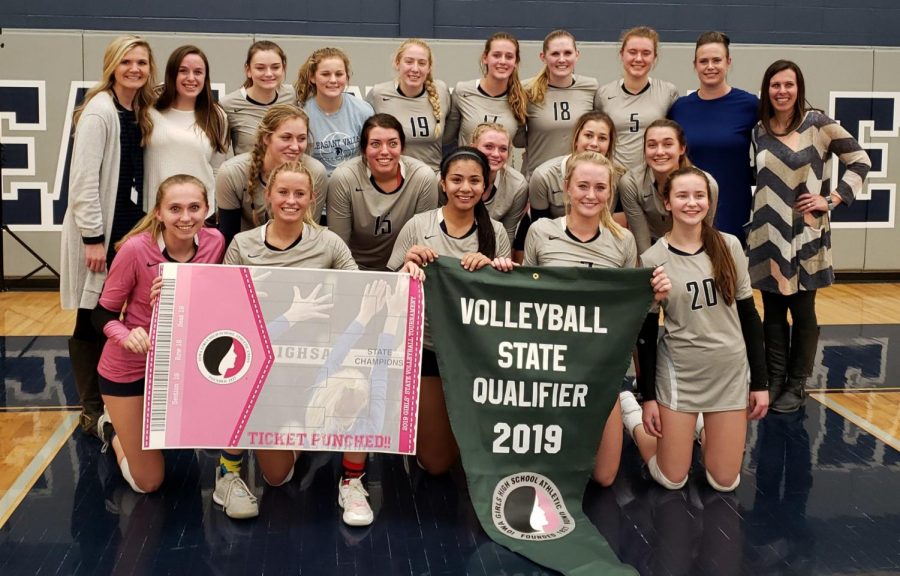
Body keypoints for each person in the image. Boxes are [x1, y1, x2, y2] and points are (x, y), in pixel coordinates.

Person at [219, 160, 396, 526]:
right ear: (267, 195)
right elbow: (220, 311)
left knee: (358, 381)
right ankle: (230, 472)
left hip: (318, 361)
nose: (291, 200)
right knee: (277, 477)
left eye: (300, 193)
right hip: (266, 366)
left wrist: (406, 271)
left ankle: (351, 479)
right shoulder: (242, 244)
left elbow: (359, 288)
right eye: (282, 192)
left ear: (312, 199)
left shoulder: (328, 243)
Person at [523, 151, 670, 486]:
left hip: (600, 367)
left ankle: (627, 408)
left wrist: (651, 295)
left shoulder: (623, 241)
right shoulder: (541, 231)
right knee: (548, 472)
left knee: (604, 478)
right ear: (567, 188)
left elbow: (631, 312)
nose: (591, 195)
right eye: (583, 186)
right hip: (551, 364)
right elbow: (524, 298)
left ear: (610, 192)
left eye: (600, 187)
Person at [627, 166, 768, 493]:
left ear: (709, 201)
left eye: (699, 196)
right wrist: (647, 399)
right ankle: (631, 416)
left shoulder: (730, 246)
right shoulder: (652, 258)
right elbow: (645, 336)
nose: (691, 203)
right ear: (667, 203)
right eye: (682, 196)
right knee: (671, 479)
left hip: (729, 372)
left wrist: (759, 383)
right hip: (681, 375)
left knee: (724, 482)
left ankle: (702, 426)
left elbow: (749, 316)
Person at [747, 60, 871, 413]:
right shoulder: (759, 130)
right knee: (771, 311)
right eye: (775, 85)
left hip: (805, 233)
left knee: (802, 311)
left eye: (788, 84)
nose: (782, 91)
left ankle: (797, 383)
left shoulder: (819, 123)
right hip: (768, 233)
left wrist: (832, 199)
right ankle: (774, 379)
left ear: (798, 87)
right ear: (766, 90)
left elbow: (860, 160)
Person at [92, 174, 226, 494]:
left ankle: (139, 430)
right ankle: (113, 429)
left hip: (180, 366)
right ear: (159, 213)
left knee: (193, 438)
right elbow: (101, 313)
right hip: (130, 370)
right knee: (148, 483)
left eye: (194, 207)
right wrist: (126, 335)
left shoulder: (215, 242)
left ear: (207, 209)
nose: (185, 217)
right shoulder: (136, 250)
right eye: (175, 208)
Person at [387, 147, 515, 474]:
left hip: (476, 354)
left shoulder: (496, 233)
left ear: (486, 187)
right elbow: (386, 292)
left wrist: (493, 270)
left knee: (476, 454)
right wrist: (407, 268)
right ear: (442, 183)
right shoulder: (419, 226)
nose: (465, 188)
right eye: (456, 179)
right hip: (428, 348)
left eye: (475, 181)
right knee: (437, 464)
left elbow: (504, 306)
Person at [60, 35, 157, 439]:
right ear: (112, 66)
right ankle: (91, 408)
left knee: (120, 312)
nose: (135, 68)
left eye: (142, 62)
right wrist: (92, 238)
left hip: (128, 228)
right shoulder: (100, 111)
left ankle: (122, 398)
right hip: (100, 231)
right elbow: (82, 181)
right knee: (90, 317)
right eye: (126, 62)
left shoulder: (140, 110)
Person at [668, 31, 758, 242]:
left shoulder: (750, 105)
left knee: (728, 269)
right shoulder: (680, 108)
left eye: (716, 60)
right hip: (689, 207)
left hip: (733, 206)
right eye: (704, 61)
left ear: (728, 62)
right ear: (695, 65)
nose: (710, 66)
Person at [327, 113, 438, 270]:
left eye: (393, 144)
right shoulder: (344, 177)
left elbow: (421, 243)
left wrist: (398, 274)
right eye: (375, 144)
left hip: (404, 267)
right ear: (364, 150)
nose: (384, 151)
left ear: (402, 147)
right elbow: (338, 247)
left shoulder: (423, 178)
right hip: (353, 267)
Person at [216, 104, 327, 247]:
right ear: (266, 138)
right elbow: (229, 237)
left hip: (297, 256)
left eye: (301, 139)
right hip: (247, 254)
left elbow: (308, 234)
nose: (295, 147)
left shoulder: (315, 172)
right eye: (286, 138)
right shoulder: (232, 173)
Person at [144, 45, 230, 213]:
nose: (191, 78)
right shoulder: (149, 111)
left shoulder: (216, 116)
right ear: (171, 74)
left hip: (198, 217)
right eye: (183, 71)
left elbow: (216, 170)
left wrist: (210, 211)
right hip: (153, 213)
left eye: (198, 72)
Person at [619, 118, 719, 255]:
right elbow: (642, 243)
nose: (659, 152)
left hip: (692, 247)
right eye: (652, 145)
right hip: (653, 247)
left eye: (667, 144)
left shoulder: (707, 184)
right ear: (644, 150)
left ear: (682, 148)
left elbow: (704, 233)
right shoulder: (631, 183)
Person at [597, 26, 679, 172]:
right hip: (614, 176)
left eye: (646, 53)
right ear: (622, 54)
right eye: (632, 52)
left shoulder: (667, 92)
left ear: (654, 57)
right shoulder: (604, 93)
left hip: (652, 177)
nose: (638, 59)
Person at [522, 30, 601, 177]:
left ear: (577, 55)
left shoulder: (590, 87)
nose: (562, 59)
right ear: (543, 57)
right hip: (538, 179)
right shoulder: (527, 90)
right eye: (555, 54)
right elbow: (519, 139)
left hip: (579, 179)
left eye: (567, 53)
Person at [367, 38, 451, 172]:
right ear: (397, 63)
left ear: (429, 68)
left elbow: (449, 134)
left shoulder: (441, 91)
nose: (415, 69)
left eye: (422, 63)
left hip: (432, 176)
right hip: (392, 177)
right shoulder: (378, 94)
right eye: (409, 62)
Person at [529, 110, 621, 221]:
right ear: (576, 139)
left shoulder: (618, 178)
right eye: (588, 135)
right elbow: (540, 228)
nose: (594, 144)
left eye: (602, 138)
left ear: (609, 145)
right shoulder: (544, 176)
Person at [295, 47, 374, 174]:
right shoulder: (301, 114)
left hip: (352, 185)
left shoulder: (363, 111)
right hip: (315, 185)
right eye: (325, 74)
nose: (333, 80)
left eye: (339, 74)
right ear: (312, 78)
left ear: (347, 77)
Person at [443, 32, 527, 149]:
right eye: (496, 55)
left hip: (501, 166)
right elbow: (446, 137)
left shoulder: (520, 98)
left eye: (509, 56)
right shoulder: (462, 91)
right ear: (485, 58)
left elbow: (520, 141)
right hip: (468, 165)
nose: (502, 61)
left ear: (516, 62)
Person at [219, 40, 295, 156]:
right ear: (248, 70)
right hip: (248, 173)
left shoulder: (291, 95)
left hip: (286, 172)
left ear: (283, 68)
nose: (269, 73)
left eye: (275, 67)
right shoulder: (228, 105)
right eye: (260, 68)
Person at [470, 123, 527, 247]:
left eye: (503, 149)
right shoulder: (450, 179)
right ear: (473, 147)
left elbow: (508, 235)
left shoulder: (517, 185)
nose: (496, 154)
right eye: (488, 146)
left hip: (492, 249)